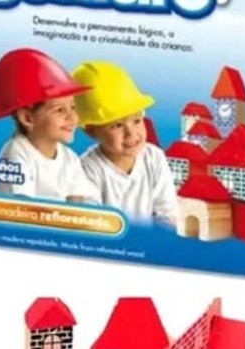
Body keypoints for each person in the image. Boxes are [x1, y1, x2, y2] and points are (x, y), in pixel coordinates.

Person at [71, 61, 179, 226]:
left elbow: (168, 213)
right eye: (117, 125)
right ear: (91, 131)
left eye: (137, 120)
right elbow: (91, 222)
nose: (131, 134)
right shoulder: (86, 170)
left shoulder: (154, 157)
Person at [0, 48, 99, 201]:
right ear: (27, 118)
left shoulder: (69, 158)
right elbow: (23, 209)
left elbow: (78, 204)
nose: (73, 117)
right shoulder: (15, 155)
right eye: (60, 110)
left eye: (73, 107)